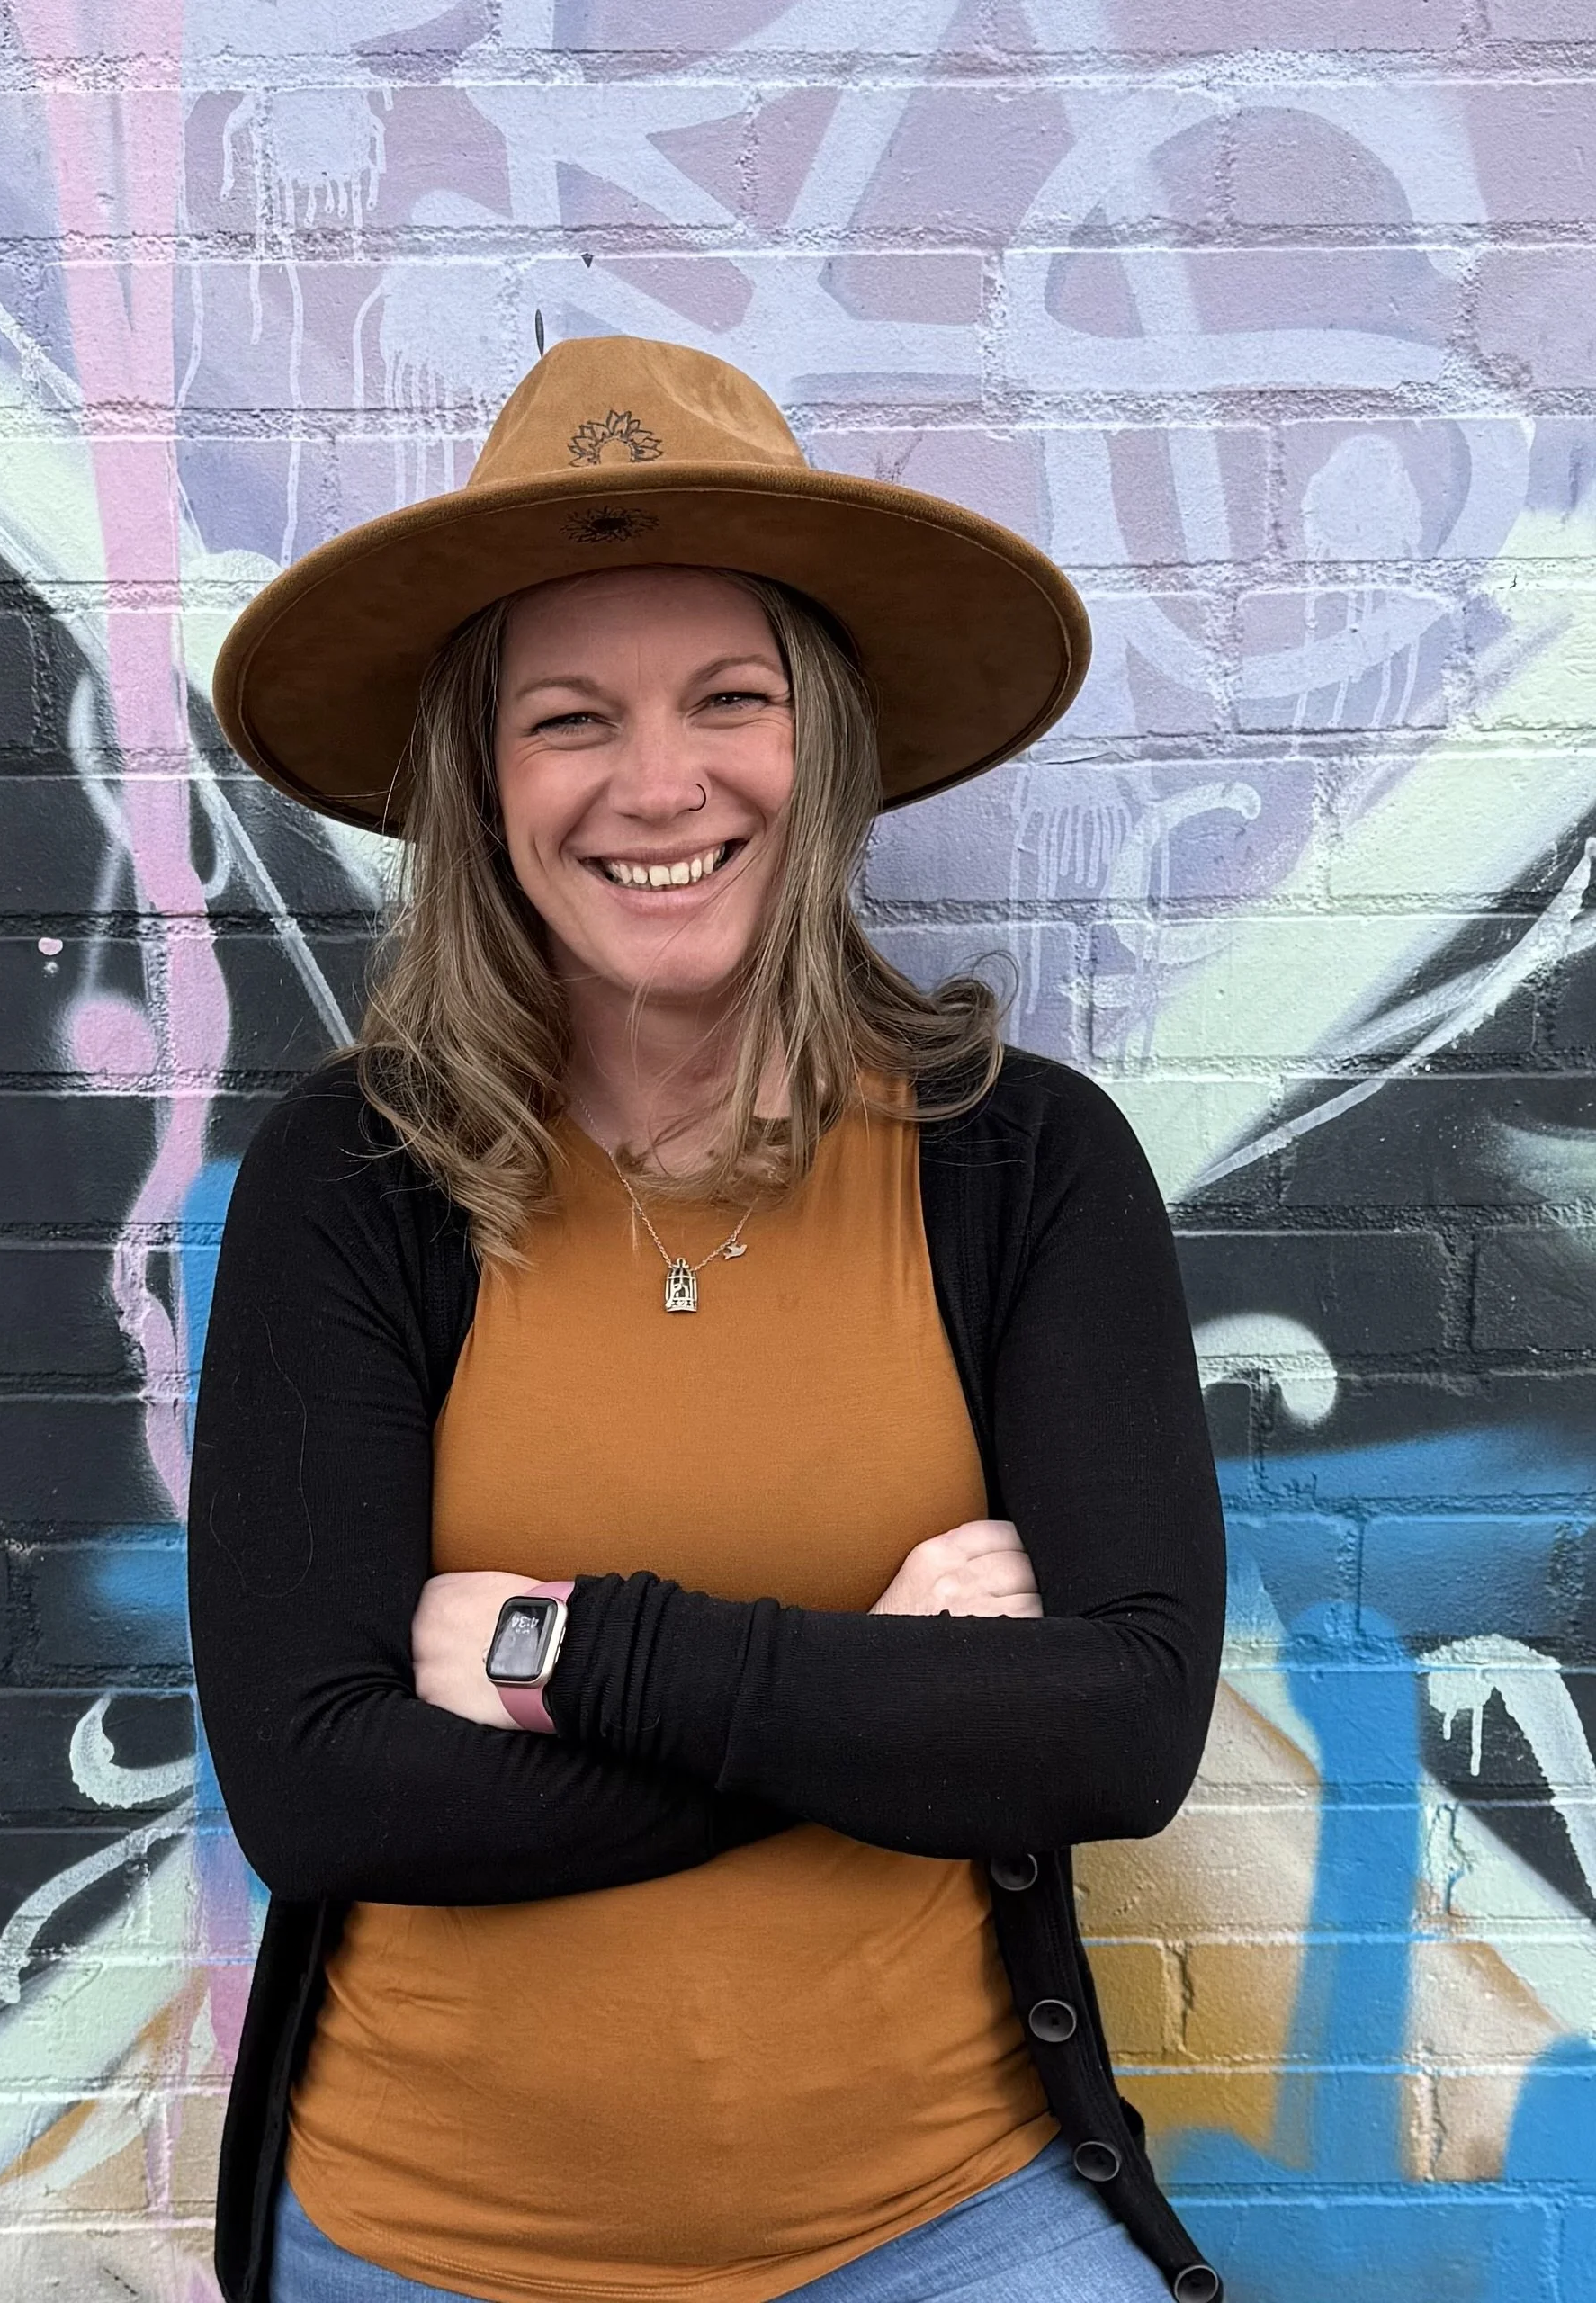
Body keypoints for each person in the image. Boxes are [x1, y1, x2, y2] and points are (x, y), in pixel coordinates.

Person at [190, 335, 1226, 2303]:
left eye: (729, 699)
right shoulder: (358, 1179)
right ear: (484, 784)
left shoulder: (1019, 1167)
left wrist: (561, 1650)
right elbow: (321, 1787)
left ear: (822, 743)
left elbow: (1121, 1729)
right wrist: (883, 1696)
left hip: (955, 2229)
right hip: (427, 2249)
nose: (658, 785)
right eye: (569, 719)